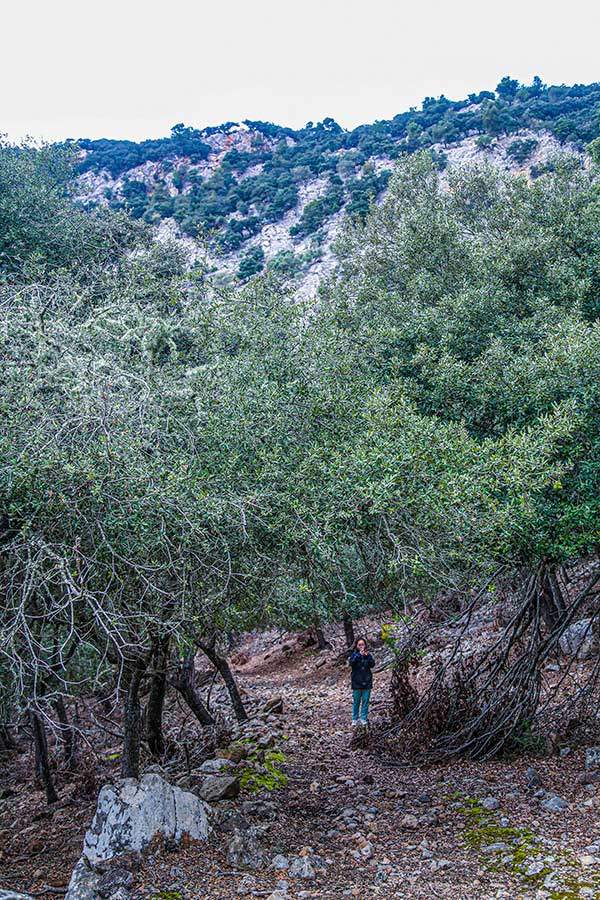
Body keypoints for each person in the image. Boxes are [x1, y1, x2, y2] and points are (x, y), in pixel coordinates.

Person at [349, 636, 375, 726]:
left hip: (367, 682)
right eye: (359, 645)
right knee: (356, 701)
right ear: (356, 645)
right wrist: (359, 655)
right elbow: (351, 663)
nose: (361, 646)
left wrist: (367, 657)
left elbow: (372, 664)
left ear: (365, 645)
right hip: (356, 682)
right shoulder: (354, 655)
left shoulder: (368, 655)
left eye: (362, 644)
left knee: (365, 701)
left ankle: (363, 718)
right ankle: (355, 719)